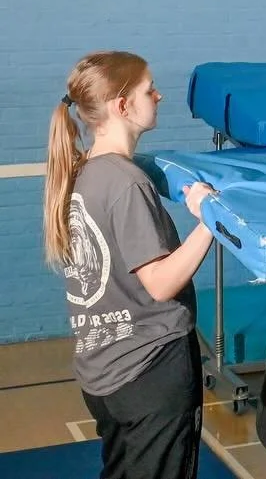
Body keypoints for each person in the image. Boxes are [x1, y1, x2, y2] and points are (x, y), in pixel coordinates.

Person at [43, 51, 217, 479]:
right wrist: (212, 220)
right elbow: (159, 284)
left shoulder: (83, 173)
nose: (159, 95)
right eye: (148, 89)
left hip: (103, 372)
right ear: (123, 106)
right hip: (150, 369)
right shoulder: (127, 182)